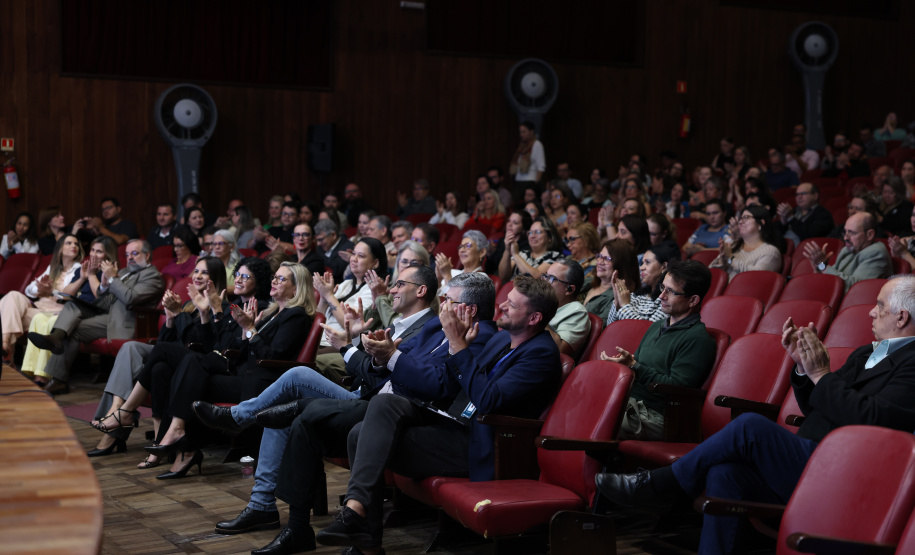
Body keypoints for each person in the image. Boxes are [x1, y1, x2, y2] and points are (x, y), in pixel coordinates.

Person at [595, 276, 915, 555]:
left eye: (880, 306)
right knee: (725, 472)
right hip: (810, 458)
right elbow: (817, 406)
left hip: (844, 471)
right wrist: (803, 369)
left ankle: (663, 483)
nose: (871, 312)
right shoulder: (865, 352)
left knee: (749, 425)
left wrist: (821, 374)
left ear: (902, 317)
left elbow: (873, 419)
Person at [192, 266, 454, 538]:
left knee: (297, 376)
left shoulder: (430, 328)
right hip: (362, 394)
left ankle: (238, 419)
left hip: (379, 408)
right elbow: (372, 371)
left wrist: (348, 348)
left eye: (400, 284)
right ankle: (261, 505)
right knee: (278, 412)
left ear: (421, 290)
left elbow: (395, 378)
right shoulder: (400, 324)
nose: (392, 289)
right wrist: (355, 341)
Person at [311, 276, 561, 553]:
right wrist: (456, 348)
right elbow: (455, 381)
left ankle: (364, 539)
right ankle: (356, 514)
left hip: (486, 443)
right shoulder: (502, 339)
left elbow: (488, 400)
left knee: (361, 436)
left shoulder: (541, 354)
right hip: (454, 421)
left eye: (512, 305)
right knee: (378, 410)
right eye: (506, 300)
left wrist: (459, 345)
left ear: (534, 318)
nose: (501, 306)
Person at [141, 262, 313, 480]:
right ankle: (180, 439)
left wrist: (249, 329)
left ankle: (183, 444)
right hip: (246, 375)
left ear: (296, 288)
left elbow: (271, 356)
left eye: (281, 279)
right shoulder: (273, 314)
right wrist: (246, 330)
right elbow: (245, 350)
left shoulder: (295, 316)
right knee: (189, 369)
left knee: (193, 375)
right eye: (275, 277)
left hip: (264, 384)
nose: (274, 281)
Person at [86, 256, 227, 458]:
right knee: (129, 348)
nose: (197, 276)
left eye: (204, 272)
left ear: (216, 277)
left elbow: (199, 344)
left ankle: (120, 419)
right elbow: (164, 343)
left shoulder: (220, 307)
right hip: (169, 353)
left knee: (155, 364)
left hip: (192, 364)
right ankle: (117, 410)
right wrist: (170, 320)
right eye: (196, 271)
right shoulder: (189, 304)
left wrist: (180, 315)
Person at [26, 239, 165, 394]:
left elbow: (130, 298)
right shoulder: (125, 272)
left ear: (147, 255)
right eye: (127, 254)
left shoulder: (153, 276)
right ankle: (57, 351)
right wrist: (104, 285)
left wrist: (113, 278)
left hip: (128, 322)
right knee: (71, 311)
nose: (130, 258)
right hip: (108, 316)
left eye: (134, 253)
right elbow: (105, 299)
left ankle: (58, 371)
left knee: (72, 327)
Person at [600, 260, 716, 440]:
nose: (661, 296)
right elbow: (639, 365)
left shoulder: (698, 340)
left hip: (657, 416)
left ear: (693, 300)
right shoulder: (657, 326)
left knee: (597, 422)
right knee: (583, 403)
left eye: (670, 291)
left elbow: (676, 387)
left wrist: (634, 366)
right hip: (631, 403)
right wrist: (625, 364)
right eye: (663, 287)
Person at [19, 236, 118, 378]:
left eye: (99, 252)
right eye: (92, 250)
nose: (94, 254)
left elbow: (100, 296)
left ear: (108, 254)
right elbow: (66, 294)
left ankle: (54, 340)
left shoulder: (110, 271)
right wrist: (82, 278)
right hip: (79, 309)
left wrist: (91, 276)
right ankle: (40, 366)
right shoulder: (83, 269)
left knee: (71, 306)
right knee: (61, 308)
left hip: (99, 311)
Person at [0, 234, 83, 367]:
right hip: (38, 307)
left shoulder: (80, 269)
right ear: (60, 248)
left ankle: (7, 356)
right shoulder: (53, 267)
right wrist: (39, 289)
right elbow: (29, 290)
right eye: (69, 243)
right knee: (12, 296)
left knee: (9, 315)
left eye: (76, 244)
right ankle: (4, 344)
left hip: (54, 313)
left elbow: (73, 296)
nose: (74, 246)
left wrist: (51, 291)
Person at [315, 237, 387, 351]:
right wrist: (324, 297)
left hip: (339, 345)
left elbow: (352, 326)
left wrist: (329, 296)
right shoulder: (346, 284)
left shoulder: (374, 291)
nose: (354, 259)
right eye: (353, 254)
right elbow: (317, 318)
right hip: (318, 340)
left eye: (361, 256)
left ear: (375, 263)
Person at [803, 212, 892, 290]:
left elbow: (856, 287)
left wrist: (823, 266)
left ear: (869, 235)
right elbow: (830, 275)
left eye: (851, 233)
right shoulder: (847, 250)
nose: (845, 237)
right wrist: (818, 267)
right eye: (845, 232)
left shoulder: (876, 254)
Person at [606, 242, 681, 325]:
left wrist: (624, 305)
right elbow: (609, 325)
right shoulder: (637, 295)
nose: (641, 267)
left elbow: (647, 330)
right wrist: (617, 301)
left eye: (647, 262)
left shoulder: (666, 299)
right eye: (642, 263)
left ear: (664, 266)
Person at [713, 205, 783, 280]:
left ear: (760, 224)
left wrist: (731, 258)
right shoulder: (734, 245)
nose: (740, 222)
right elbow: (711, 274)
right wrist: (722, 260)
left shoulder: (771, 252)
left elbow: (756, 276)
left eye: (746, 218)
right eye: (741, 218)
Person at [542, 259, 591, 357]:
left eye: (551, 279)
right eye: (545, 276)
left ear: (569, 289)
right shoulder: (546, 302)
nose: (544, 283)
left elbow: (559, 349)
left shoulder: (577, 312)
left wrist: (539, 315)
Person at [584, 239, 640, 322]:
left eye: (607, 258)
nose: (600, 262)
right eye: (599, 256)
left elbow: (601, 325)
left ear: (621, 265)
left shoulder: (619, 297)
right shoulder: (588, 281)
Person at [499, 216, 562, 282]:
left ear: (550, 237)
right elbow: (503, 277)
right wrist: (507, 250)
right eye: (530, 232)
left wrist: (515, 255)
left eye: (538, 232)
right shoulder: (522, 253)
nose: (532, 236)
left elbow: (535, 278)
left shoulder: (555, 257)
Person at [774, 182, 834, 246]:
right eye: (797, 194)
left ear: (815, 196)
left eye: (803, 193)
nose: (799, 197)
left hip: (803, 249)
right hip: (782, 245)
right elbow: (774, 233)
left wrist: (791, 218)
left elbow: (810, 235)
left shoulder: (823, 215)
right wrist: (783, 223)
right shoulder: (793, 211)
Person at [73, 197, 139, 246]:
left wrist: (100, 227)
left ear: (118, 209)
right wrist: (88, 229)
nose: (105, 211)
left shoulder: (128, 225)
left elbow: (120, 241)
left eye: (109, 208)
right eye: (103, 209)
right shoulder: (104, 227)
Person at [511, 121, 546, 202]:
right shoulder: (522, 145)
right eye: (520, 132)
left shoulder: (537, 144)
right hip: (519, 180)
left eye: (524, 132)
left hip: (530, 180)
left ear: (531, 132)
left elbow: (541, 166)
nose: (521, 134)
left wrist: (535, 184)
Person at [487, 210, 531, 276]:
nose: (509, 225)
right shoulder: (502, 241)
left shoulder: (526, 245)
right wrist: (489, 254)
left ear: (523, 228)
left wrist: (493, 253)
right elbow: (489, 269)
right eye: (508, 221)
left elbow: (507, 270)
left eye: (515, 223)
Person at [314, 219, 355, 283]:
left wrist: (320, 259)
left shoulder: (348, 247)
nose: (318, 244)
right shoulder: (320, 248)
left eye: (321, 239)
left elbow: (337, 270)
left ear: (333, 235)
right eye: (317, 240)